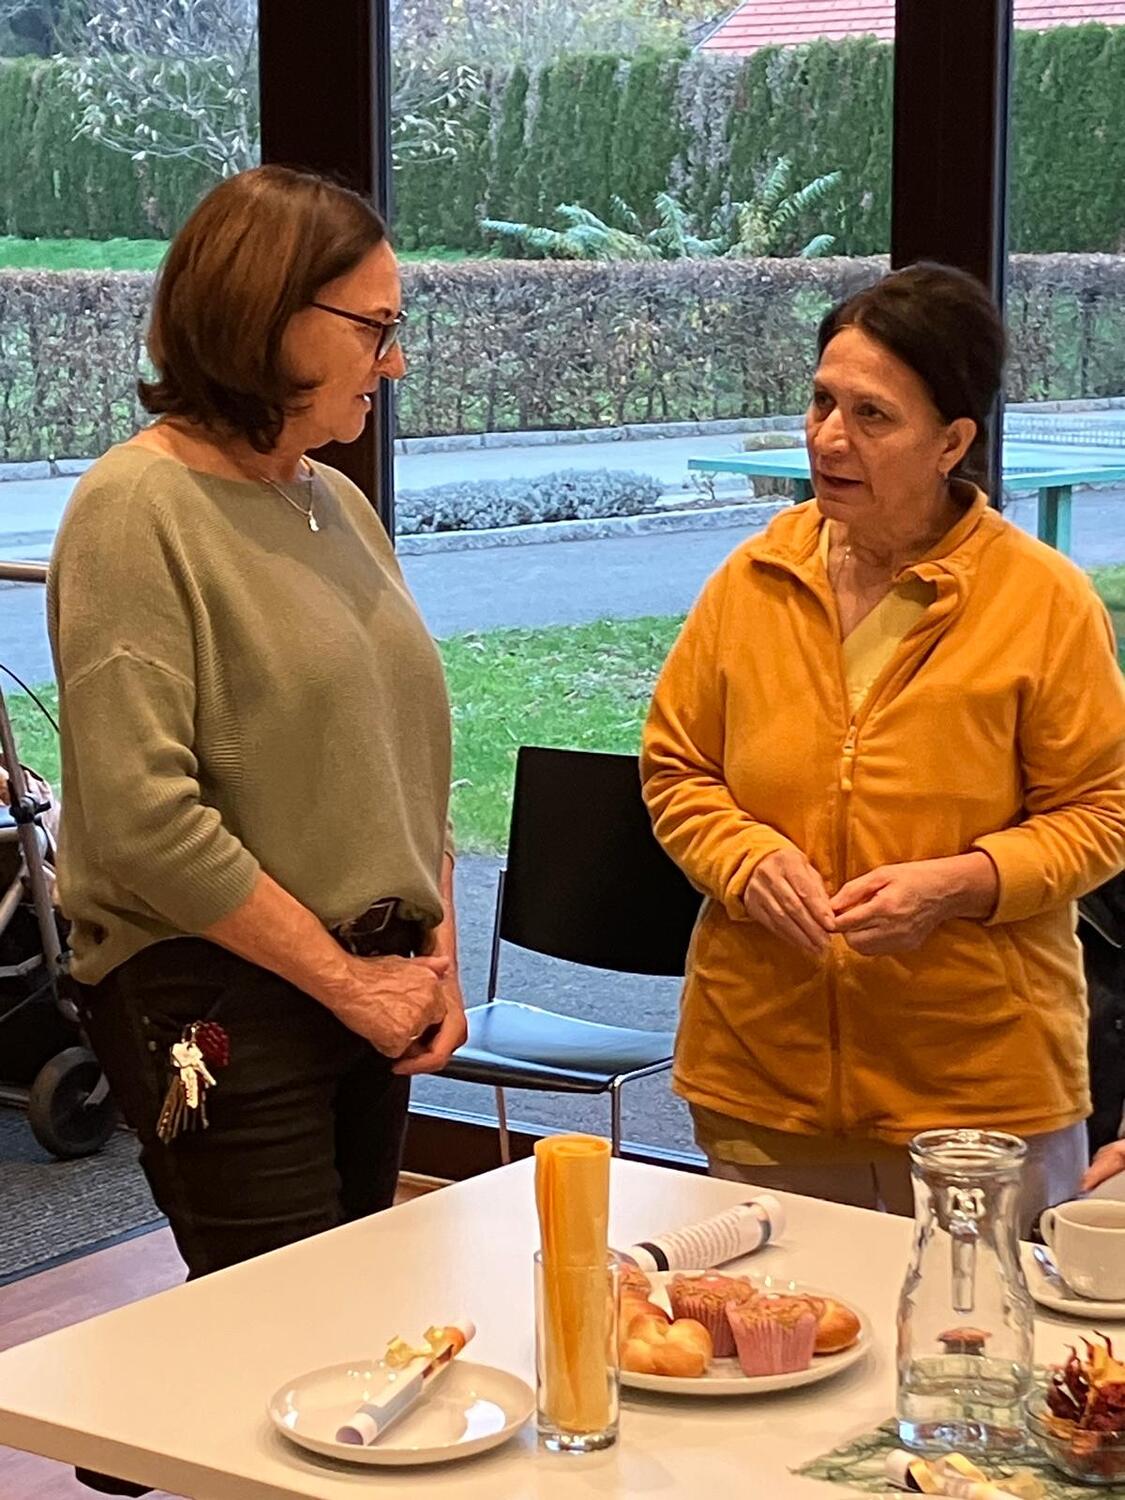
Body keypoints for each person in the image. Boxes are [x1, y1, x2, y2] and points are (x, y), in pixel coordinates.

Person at [50, 166, 465, 1295]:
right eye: (375, 327)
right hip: (223, 990)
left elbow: (405, 755)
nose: (395, 361)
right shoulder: (134, 510)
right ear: (268, 316)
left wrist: (433, 954)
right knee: (287, 1337)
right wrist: (346, 981)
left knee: (355, 1328)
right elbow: (143, 821)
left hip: (368, 976)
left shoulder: (335, 502)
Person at [642, 262, 1125, 1231]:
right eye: (822, 401)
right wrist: (745, 858)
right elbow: (677, 768)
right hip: (762, 1077)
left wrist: (963, 884)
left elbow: (1101, 814)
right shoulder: (752, 578)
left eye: (872, 415)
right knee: (772, 1322)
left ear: (952, 442)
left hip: (979, 1094)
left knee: (974, 1329)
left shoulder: (1043, 601)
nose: (829, 437)